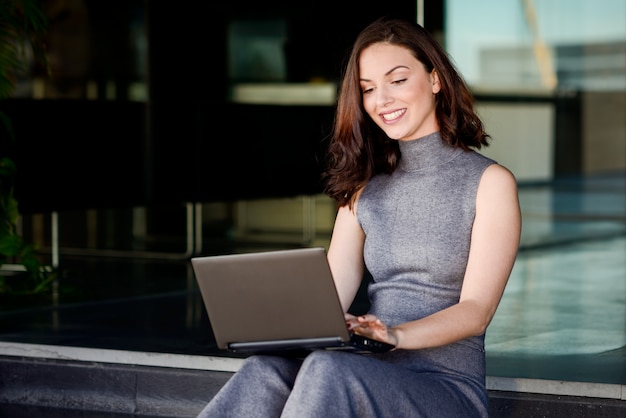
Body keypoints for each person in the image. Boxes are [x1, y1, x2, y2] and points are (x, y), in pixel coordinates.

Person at [197, 16, 521, 418]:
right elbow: (329, 293)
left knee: (328, 368)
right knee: (266, 368)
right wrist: (268, 324)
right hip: (367, 366)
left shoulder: (490, 182)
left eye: (397, 80)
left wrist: (394, 335)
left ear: (435, 80)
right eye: (368, 89)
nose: (382, 100)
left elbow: (476, 311)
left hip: (445, 387)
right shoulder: (364, 187)